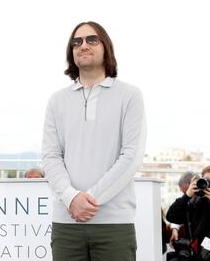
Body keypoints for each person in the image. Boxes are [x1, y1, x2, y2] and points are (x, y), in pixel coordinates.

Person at [42, 21, 147, 261]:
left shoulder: (130, 95)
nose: (83, 46)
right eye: (76, 42)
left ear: (106, 47)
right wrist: (71, 198)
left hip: (114, 224)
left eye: (91, 40)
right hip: (66, 222)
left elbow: (131, 156)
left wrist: (89, 201)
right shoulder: (57, 101)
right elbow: (50, 156)